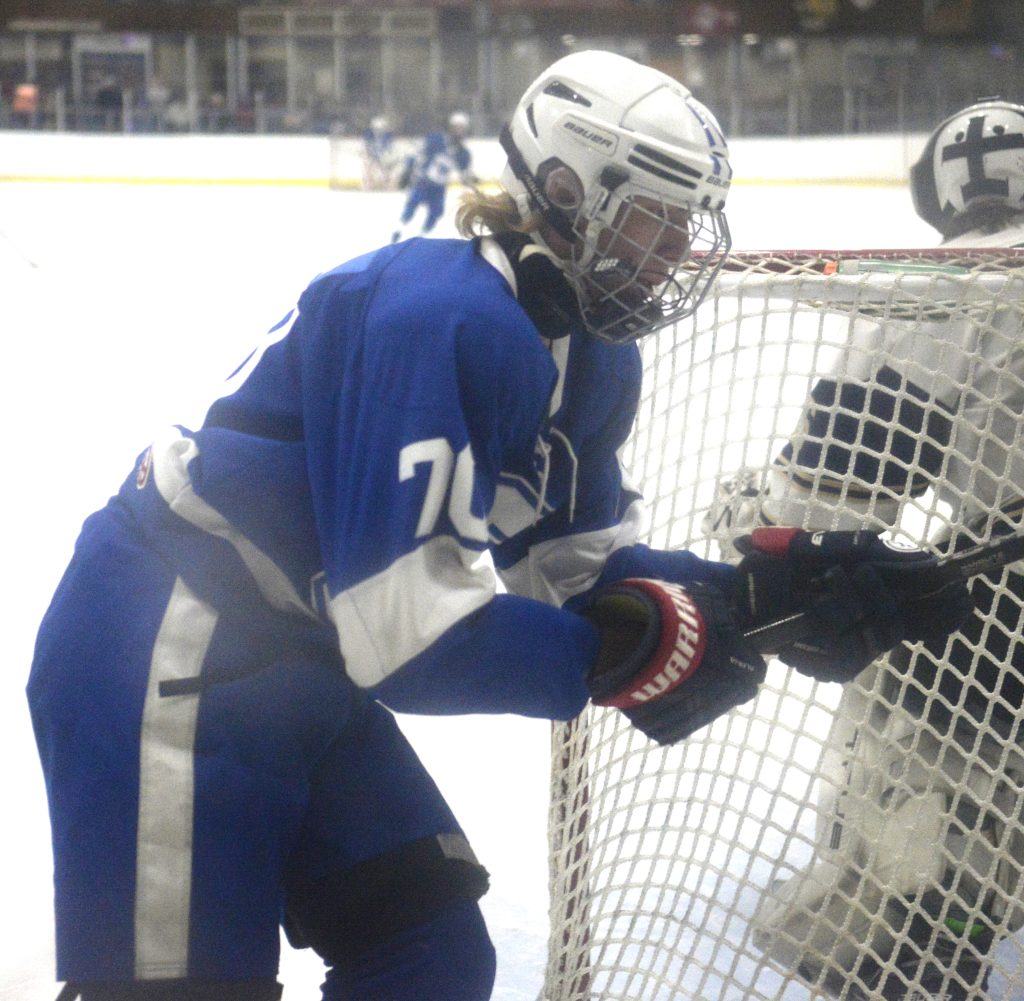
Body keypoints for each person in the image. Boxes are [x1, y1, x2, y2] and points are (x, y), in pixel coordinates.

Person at [27, 51, 970, 1001]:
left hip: (295, 653)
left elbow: (579, 571)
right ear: (565, 189)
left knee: (431, 960)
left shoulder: (592, 357)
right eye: (656, 214)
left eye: (689, 220)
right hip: (168, 636)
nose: (679, 247)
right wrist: (626, 649)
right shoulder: (438, 316)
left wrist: (769, 592)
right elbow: (409, 637)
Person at [705, 98, 1024, 1001]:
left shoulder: (951, 288)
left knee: (909, 713)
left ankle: (921, 930)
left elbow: (831, 496)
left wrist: (748, 515)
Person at [390, 110, 474, 241]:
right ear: (450, 127)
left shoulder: (463, 153)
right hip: (423, 182)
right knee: (411, 207)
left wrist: (470, 181)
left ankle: (420, 238)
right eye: (456, 128)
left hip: (439, 188)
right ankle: (398, 232)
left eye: (462, 128)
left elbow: (465, 174)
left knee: (436, 213)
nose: (459, 131)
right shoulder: (436, 139)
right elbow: (417, 153)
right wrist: (407, 171)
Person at [361, 115, 399, 191]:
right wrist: (368, 154)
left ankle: (388, 186)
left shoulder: (388, 135)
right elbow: (367, 145)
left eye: (380, 129)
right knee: (369, 171)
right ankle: (368, 186)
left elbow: (389, 147)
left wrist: (387, 155)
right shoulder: (369, 134)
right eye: (376, 129)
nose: (378, 131)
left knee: (386, 172)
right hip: (372, 155)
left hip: (383, 156)